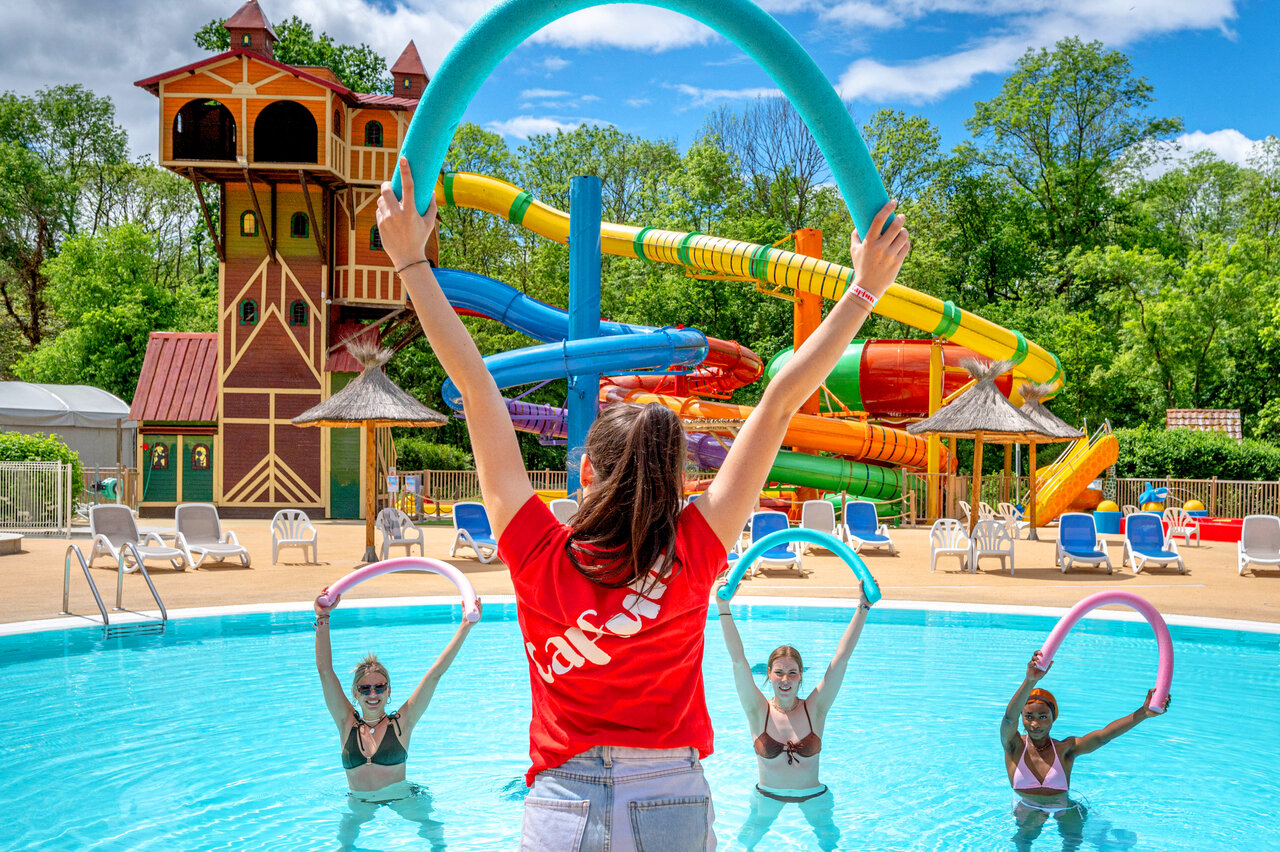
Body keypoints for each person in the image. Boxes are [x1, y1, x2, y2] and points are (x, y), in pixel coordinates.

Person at [376, 156, 909, 852]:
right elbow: (778, 406)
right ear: (673, 484)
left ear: (586, 470)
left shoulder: (536, 547)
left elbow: (477, 388)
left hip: (561, 800)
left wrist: (413, 264)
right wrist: (866, 289)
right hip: (670, 797)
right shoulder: (696, 546)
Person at [314, 594, 479, 849]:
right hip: (359, 802)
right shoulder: (345, 722)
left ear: (389, 692)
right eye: (365, 688)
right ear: (355, 693)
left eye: (379, 688)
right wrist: (322, 617)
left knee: (433, 833)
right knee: (344, 846)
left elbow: (435, 674)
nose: (372, 694)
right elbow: (325, 671)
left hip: (404, 798)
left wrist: (465, 627)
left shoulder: (402, 723)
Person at [716, 583, 871, 850]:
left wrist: (864, 607)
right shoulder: (757, 710)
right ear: (768, 674)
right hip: (767, 796)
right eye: (779, 672)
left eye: (792, 672)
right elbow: (738, 661)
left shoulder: (815, 708)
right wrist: (723, 607)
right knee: (743, 845)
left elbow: (841, 659)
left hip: (814, 796)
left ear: (800, 676)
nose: (785, 679)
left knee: (830, 844)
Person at [1002, 650, 1170, 851]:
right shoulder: (1014, 745)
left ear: (1053, 718)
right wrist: (1029, 680)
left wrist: (1143, 713)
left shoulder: (1066, 749)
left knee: (1073, 839)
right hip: (1028, 805)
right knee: (1024, 839)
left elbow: (1103, 736)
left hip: (1063, 804)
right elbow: (1009, 719)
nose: (1035, 723)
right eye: (1029, 716)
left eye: (1043, 716)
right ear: (1022, 717)